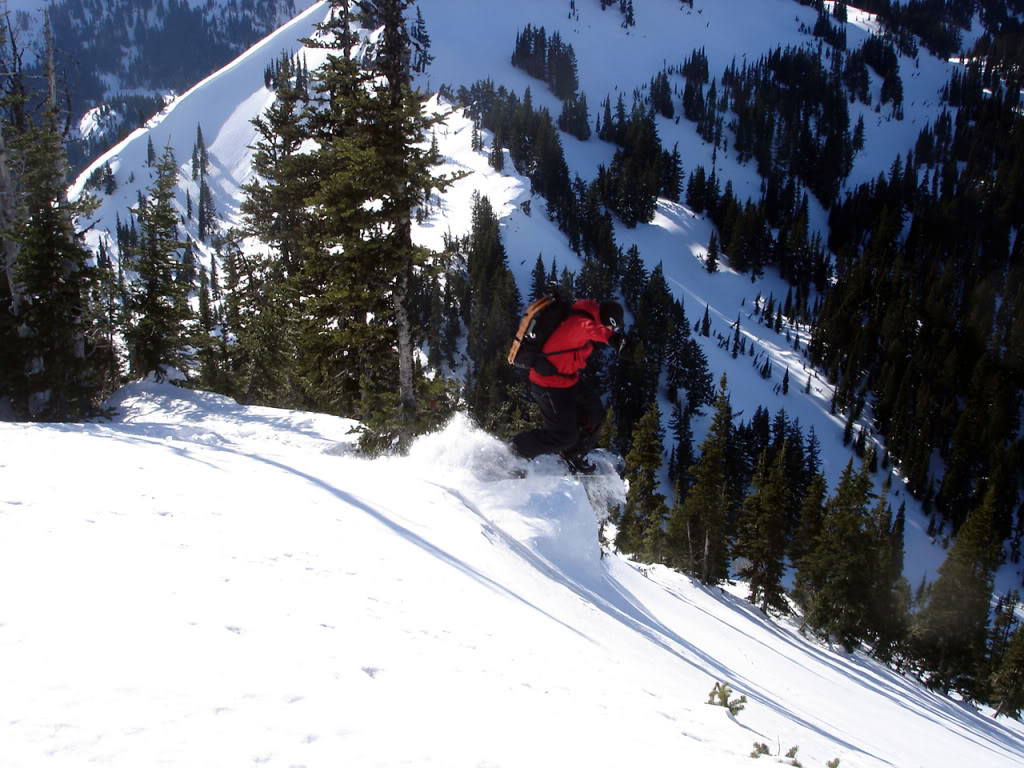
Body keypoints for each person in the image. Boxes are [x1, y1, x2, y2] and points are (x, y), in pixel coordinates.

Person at [511, 298, 626, 473]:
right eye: (612, 327)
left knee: (595, 415)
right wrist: (614, 339)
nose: (611, 330)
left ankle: (574, 456)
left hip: (568, 380)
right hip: (548, 384)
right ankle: (513, 452)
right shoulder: (580, 323)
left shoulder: (585, 317)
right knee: (564, 436)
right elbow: (589, 329)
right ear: (608, 323)